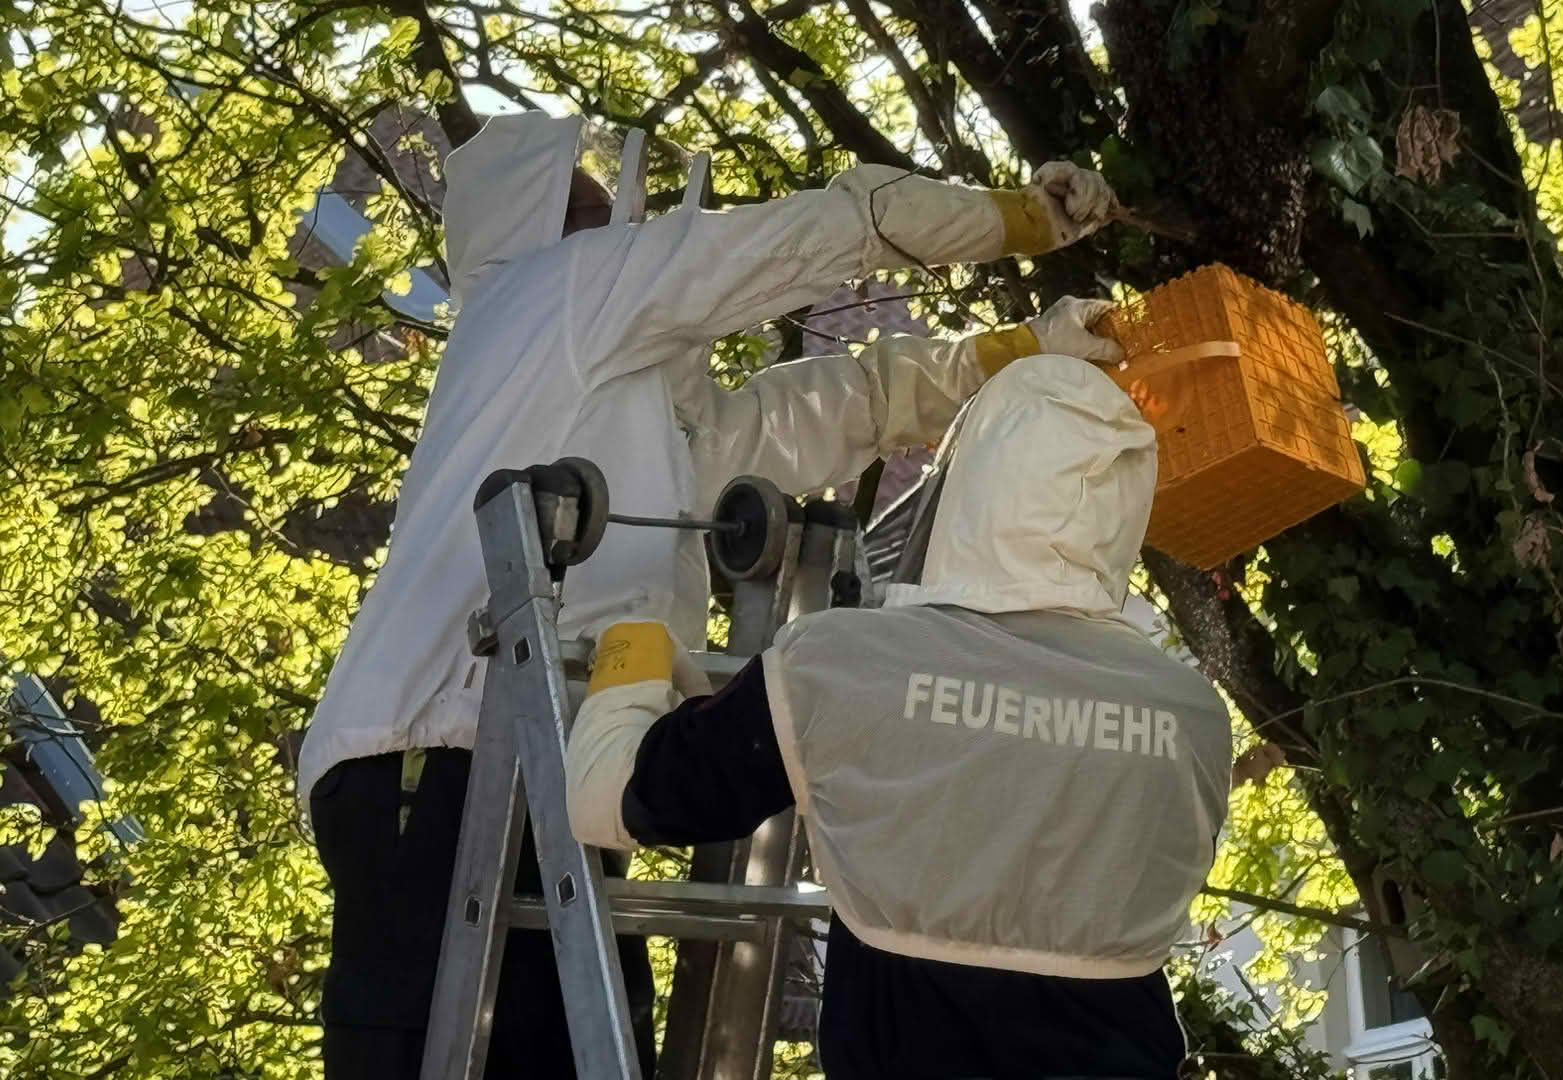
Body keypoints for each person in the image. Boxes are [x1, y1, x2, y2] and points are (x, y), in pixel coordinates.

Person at [299, 108, 1126, 1079]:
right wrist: (1010, 220)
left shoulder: (638, 405)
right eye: (592, 208)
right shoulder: (541, 299)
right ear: (534, 226)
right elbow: (798, 242)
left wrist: (1026, 351)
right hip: (431, 755)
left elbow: (842, 409)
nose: (626, 227)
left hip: (546, 771)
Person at [566, 354, 1234, 1078]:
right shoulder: (1192, 712)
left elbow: (609, 802)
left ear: (972, 479)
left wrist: (636, 645)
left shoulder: (847, 662)